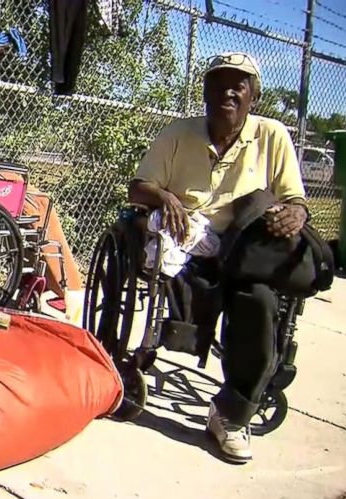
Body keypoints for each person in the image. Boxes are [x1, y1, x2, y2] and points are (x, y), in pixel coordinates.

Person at [129, 52, 309, 463]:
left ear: (253, 96)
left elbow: (294, 197)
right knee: (169, 266)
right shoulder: (178, 134)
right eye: (219, 82)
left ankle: (230, 415)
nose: (228, 90)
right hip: (187, 242)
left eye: (239, 84)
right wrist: (166, 196)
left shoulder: (273, 135)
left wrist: (296, 212)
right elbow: (138, 187)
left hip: (245, 250)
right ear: (205, 93)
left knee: (260, 302)